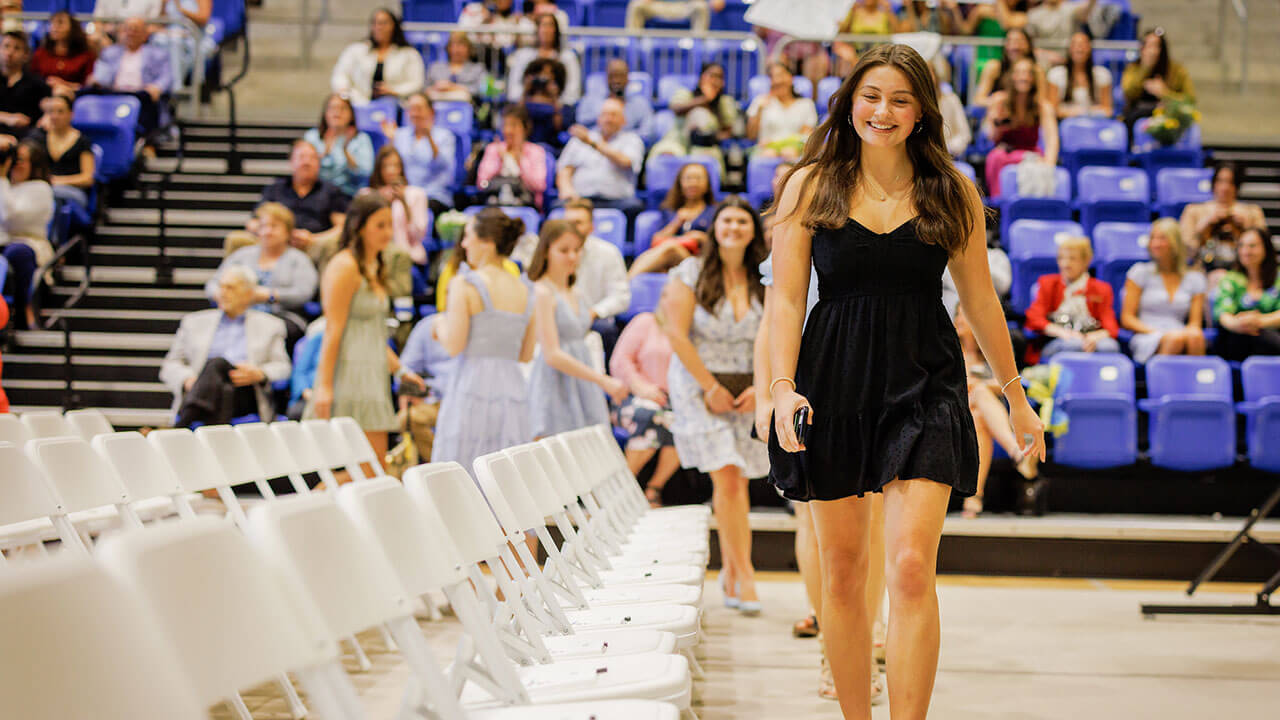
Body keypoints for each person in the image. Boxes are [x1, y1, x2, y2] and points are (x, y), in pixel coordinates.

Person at [768, 44, 1044, 718]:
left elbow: (981, 301)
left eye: (898, 98)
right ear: (850, 102)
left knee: (913, 566)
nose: (882, 110)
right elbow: (784, 299)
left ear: (921, 111)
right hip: (832, 378)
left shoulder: (952, 189)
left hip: (927, 379)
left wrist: (1016, 395)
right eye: (870, 96)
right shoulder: (810, 184)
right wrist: (780, 386)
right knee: (843, 571)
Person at [664, 196, 769, 614]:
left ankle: (732, 571)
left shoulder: (764, 275)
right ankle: (742, 574)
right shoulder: (688, 273)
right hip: (698, 386)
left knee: (738, 480)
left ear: (753, 230)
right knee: (728, 477)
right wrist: (709, 388)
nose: (734, 228)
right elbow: (677, 336)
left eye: (743, 221)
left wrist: (761, 388)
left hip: (749, 389)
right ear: (714, 228)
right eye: (726, 220)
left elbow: (778, 333)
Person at [305, 193, 425, 469]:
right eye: (379, 225)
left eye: (389, 225)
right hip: (347, 376)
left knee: (374, 470)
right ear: (359, 226)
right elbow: (333, 330)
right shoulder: (344, 266)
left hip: (371, 376)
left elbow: (372, 335)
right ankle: (297, 509)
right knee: (363, 471)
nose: (387, 233)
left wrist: (400, 370)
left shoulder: (376, 266)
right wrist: (323, 387)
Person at [430, 208, 537, 472]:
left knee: (463, 467)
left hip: (472, 385)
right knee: (504, 470)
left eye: (467, 236)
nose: (464, 244)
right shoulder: (526, 290)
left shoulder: (464, 283)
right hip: (512, 389)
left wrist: (439, 323)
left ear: (487, 242)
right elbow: (525, 354)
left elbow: (454, 344)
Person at [528, 220, 629, 438]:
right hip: (554, 381)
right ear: (546, 251)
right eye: (564, 250)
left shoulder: (576, 292)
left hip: (583, 376)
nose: (572, 257)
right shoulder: (542, 292)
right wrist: (602, 380)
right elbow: (552, 354)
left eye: (576, 250)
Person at [160, 265, 292, 428]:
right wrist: (188, 380)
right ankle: (208, 428)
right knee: (218, 375)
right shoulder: (193, 322)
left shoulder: (271, 325)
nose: (222, 292)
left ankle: (182, 424)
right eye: (221, 287)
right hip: (205, 391)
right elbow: (170, 365)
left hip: (245, 391)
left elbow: (283, 367)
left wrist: (259, 373)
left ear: (248, 294)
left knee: (218, 365)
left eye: (230, 288)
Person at [953, 307, 1039, 519]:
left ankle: (974, 497)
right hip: (953, 414)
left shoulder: (992, 352)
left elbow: (1011, 382)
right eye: (958, 315)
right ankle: (1017, 452)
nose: (961, 319)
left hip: (982, 416)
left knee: (979, 415)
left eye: (965, 313)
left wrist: (978, 384)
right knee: (978, 398)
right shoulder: (948, 350)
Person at [205, 203, 318, 349]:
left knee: (263, 328)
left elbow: (304, 293)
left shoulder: (298, 259)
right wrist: (225, 294)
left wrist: (269, 295)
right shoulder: (241, 255)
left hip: (283, 316)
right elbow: (212, 285)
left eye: (274, 226)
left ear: (288, 231)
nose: (268, 231)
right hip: (239, 313)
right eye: (264, 226)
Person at [610, 296, 680, 506]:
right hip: (634, 397)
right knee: (649, 415)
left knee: (685, 422)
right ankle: (622, 486)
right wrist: (641, 387)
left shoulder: (690, 330)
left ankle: (654, 488)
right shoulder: (645, 322)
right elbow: (620, 360)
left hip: (672, 401)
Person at [247, 139, 350, 267]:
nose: (306, 162)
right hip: (275, 243)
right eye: (301, 157)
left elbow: (342, 228)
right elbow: (253, 223)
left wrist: (313, 239)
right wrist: (280, 236)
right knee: (237, 240)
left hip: (314, 244)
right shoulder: (275, 189)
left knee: (331, 245)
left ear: (319, 163)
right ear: (291, 162)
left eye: (312, 158)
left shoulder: (331, 191)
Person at [1120, 218, 1207, 364]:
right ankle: (1163, 384)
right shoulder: (1140, 272)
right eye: (1153, 238)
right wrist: (1157, 333)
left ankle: (1195, 385)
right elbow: (1127, 319)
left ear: (1175, 244)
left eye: (1162, 238)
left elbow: (1194, 323)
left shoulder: (1195, 278)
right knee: (1174, 339)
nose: (1155, 243)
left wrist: (1186, 332)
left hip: (1178, 330)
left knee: (1195, 336)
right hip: (1147, 333)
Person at [1025, 235, 1120, 361]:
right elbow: (1034, 318)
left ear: (1086, 261)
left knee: (1109, 347)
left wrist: (1094, 337)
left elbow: (1111, 327)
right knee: (1074, 344)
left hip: (1089, 337)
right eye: (1061, 258)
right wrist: (1063, 333)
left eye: (1072, 259)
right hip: (1059, 339)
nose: (1065, 264)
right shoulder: (1047, 283)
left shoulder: (1101, 288)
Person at [983, 57, 1059, 197]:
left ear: (1034, 79)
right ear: (1012, 76)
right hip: (1004, 153)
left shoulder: (1043, 107)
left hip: (1031, 154)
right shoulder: (999, 100)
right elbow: (990, 137)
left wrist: (1049, 165)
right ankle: (1000, 206)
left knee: (1040, 166)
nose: (1024, 77)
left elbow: (1052, 140)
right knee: (995, 158)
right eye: (1019, 72)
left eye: (1028, 73)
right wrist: (997, 123)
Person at [1179, 160, 1266, 281]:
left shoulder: (1253, 212)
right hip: (1201, 273)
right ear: (1213, 183)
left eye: (1231, 182)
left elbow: (1264, 251)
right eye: (1220, 181)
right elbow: (1183, 252)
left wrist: (1246, 228)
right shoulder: (1193, 211)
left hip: (1242, 274)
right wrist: (1203, 227)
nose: (1225, 187)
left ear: (1237, 185)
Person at [556, 98, 645, 215]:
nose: (608, 119)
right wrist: (566, 189)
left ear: (624, 120)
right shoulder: (578, 140)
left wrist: (592, 143)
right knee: (557, 207)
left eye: (614, 115)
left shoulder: (632, 140)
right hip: (581, 199)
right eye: (605, 114)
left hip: (617, 201)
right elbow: (565, 170)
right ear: (598, 118)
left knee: (634, 207)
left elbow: (625, 162)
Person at [0, 137, 54, 329]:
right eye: (12, 159)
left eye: (20, 159)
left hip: (25, 244)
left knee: (18, 253)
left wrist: (1, 178)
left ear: (35, 164)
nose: (14, 164)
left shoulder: (40, 188)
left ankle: (24, 311)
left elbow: (9, 218)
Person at [359, 145, 428, 296]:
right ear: (378, 169)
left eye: (395, 165)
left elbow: (418, 235)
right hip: (372, 256)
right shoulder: (366, 195)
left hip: (407, 257)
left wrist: (404, 203)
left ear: (402, 168)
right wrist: (380, 201)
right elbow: (359, 230)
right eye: (386, 166)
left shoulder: (416, 195)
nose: (391, 171)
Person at [628, 162, 717, 277]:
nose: (693, 183)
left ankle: (626, 283)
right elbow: (656, 240)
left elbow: (719, 245)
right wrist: (677, 222)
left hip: (700, 261)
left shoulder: (714, 212)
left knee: (671, 248)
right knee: (666, 252)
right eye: (689, 178)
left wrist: (701, 237)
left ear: (707, 184)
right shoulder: (669, 210)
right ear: (680, 183)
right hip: (670, 258)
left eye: (698, 178)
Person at [84, 18, 172, 135]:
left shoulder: (157, 54)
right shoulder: (110, 52)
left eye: (135, 30)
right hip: (113, 93)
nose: (131, 33)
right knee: (86, 93)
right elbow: (101, 75)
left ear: (145, 35)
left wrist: (157, 87)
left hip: (141, 95)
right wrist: (96, 79)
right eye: (127, 30)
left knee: (148, 100)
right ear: (121, 33)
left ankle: (146, 140)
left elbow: (166, 77)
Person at [562, 199, 631, 344]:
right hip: (560, 315)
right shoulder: (551, 253)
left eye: (578, 223)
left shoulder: (608, 253)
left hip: (595, 319)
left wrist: (593, 312)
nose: (571, 228)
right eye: (567, 223)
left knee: (606, 329)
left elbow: (621, 297)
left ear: (591, 227)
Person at [648, 62, 739, 169]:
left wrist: (712, 137)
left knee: (703, 159)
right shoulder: (686, 94)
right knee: (666, 154)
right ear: (701, 78)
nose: (715, 81)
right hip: (678, 140)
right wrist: (705, 99)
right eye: (711, 76)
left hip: (707, 145)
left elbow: (729, 131)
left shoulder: (725, 102)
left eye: (719, 77)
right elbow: (676, 109)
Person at [330, 8, 425, 105]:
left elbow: (416, 83)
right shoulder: (355, 50)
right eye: (375, 23)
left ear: (394, 26)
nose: (379, 27)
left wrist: (394, 90)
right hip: (359, 104)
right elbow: (340, 75)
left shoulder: (409, 54)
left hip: (396, 105)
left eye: (383, 23)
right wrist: (346, 94)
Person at [1213, 227, 1280, 361]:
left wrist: (1258, 321)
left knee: (1266, 338)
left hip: (1271, 333)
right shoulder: (1230, 279)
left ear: (1266, 248)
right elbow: (1222, 314)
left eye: (1252, 246)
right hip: (1236, 337)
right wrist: (1239, 324)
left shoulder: (1278, 278)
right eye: (1242, 246)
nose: (1246, 251)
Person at [384, 92, 456, 217]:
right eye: (411, 109)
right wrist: (390, 141)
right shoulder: (400, 135)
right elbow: (391, 165)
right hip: (403, 193)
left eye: (419, 109)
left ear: (431, 112)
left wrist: (429, 137)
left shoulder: (444, 136)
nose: (414, 113)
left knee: (411, 208)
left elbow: (444, 166)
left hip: (433, 195)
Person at [1121, 28, 1195, 133]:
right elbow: (1128, 93)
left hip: (1168, 113)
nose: (1153, 51)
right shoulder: (1133, 68)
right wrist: (1144, 69)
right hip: (1138, 113)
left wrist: (1164, 93)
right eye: (1149, 46)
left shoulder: (1178, 70)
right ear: (1142, 48)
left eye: (1156, 46)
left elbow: (1190, 101)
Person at [476, 103, 548, 210]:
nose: (508, 130)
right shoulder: (493, 149)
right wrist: (501, 159)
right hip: (494, 204)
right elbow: (482, 183)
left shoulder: (536, 151)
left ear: (525, 127)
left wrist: (519, 160)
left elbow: (539, 185)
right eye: (505, 125)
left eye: (514, 125)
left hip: (525, 205)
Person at [30, 95, 95, 210]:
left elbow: (87, 178)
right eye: (51, 112)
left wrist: (57, 181)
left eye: (60, 111)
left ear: (71, 114)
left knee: (51, 194)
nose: (55, 116)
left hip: (73, 191)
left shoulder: (83, 141)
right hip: (45, 188)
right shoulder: (38, 138)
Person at [304, 93, 375, 198]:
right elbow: (305, 168)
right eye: (332, 108)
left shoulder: (361, 139)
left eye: (343, 108)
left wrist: (345, 151)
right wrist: (325, 153)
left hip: (350, 193)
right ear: (325, 113)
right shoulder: (312, 137)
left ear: (351, 115)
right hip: (319, 193)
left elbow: (366, 171)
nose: (337, 112)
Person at [745, 61, 818, 161]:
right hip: (766, 151)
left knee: (790, 154)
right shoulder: (760, 101)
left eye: (781, 75)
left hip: (795, 151)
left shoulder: (806, 104)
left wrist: (788, 147)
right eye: (773, 77)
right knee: (768, 155)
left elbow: (806, 135)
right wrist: (759, 110)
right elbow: (751, 135)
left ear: (791, 78)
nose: (777, 80)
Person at [505, 13, 581, 106]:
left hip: (558, 107)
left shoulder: (568, 57)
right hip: (527, 105)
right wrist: (526, 92)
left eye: (550, 25)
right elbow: (514, 90)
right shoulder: (523, 55)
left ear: (556, 30)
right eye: (543, 25)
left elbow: (572, 92)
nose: (546, 30)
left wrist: (556, 100)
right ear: (537, 29)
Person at [577, 58, 653, 135]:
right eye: (612, 76)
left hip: (627, 144)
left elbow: (646, 133)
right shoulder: (590, 101)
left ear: (628, 78)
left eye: (621, 76)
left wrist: (621, 138)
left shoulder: (641, 104)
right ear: (606, 78)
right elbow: (581, 126)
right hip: (593, 141)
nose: (616, 80)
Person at [1047, 30, 1113, 119]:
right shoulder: (1056, 74)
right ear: (1069, 49)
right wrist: (1074, 113)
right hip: (1065, 123)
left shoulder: (1102, 74)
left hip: (1094, 123)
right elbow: (1053, 109)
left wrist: (1085, 112)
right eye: (1075, 45)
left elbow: (1107, 110)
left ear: (1090, 48)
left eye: (1083, 45)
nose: (1079, 48)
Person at [31, 12, 96, 99]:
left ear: (72, 27)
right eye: (52, 23)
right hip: (43, 98)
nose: (55, 27)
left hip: (75, 98)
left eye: (60, 23)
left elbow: (88, 86)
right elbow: (32, 80)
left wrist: (64, 85)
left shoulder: (85, 56)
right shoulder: (41, 54)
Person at [832, 0, 904, 75]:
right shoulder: (855, 12)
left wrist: (889, 11)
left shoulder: (884, 14)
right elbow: (841, 33)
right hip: (856, 56)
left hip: (880, 56)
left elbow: (898, 34)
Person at [0, 30, 50, 139]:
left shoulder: (36, 83)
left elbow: (49, 105)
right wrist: (7, 118)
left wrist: (47, 117)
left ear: (26, 55)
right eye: (6, 46)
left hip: (26, 138)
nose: (10, 52)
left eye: (17, 48)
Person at [973, 27, 1038, 108]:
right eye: (1010, 41)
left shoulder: (1037, 70)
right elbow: (978, 99)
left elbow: (1041, 101)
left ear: (1029, 45)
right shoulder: (994, 67)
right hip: (999, 113)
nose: (1015, 46)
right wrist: (998, 102)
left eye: (1019, 41)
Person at [518, 57, 574, 150]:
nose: (543, 80)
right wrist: (525, 91)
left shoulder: (564, 108)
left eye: (548, 76)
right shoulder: (524, 102)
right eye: (539, 75)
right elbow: (516, 119)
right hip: (525, 148)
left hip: (550, 149)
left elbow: (559, 127)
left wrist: (554, 97)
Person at [425, 31, 489, 103]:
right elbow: (425, 89)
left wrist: (453, 87)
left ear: (469, 48)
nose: (457, 50)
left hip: (468, 107)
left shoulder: (478, 69)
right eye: (453, 45)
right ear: (448, 48)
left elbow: (482, 90)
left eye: (461, 45)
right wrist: (436, 87)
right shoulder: (435, 67)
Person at [1025, 0, 1096, 47]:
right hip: (1043, 56)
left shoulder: (1071, 9)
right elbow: (1029, 43)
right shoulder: (1033, 14)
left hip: (1068, 55)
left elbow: (1085, 12)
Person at [626, 0, 724, 33]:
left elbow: (718, 4)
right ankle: (633, 47)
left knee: (700, 7)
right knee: (636, 5)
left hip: (684, 6)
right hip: (658, 5)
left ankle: (698, 48)